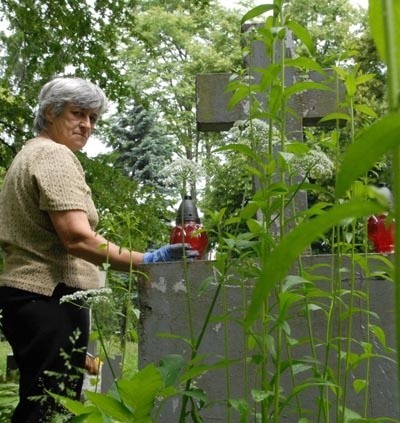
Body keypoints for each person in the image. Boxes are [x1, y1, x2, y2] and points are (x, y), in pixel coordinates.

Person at [0, 76, 197, 422]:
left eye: (93, 118)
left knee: (41, 403)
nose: (86, 125)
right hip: (50, 296)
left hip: (28, 299)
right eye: (77, 113)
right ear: (50, 112)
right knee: (50, 410)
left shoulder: (27, 154)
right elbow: (77, 238)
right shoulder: (53, 155)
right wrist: (146, 261)